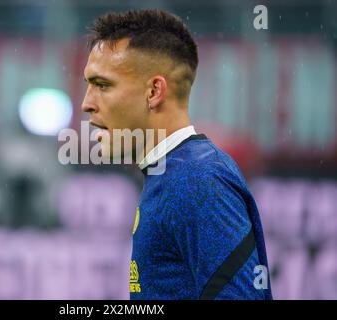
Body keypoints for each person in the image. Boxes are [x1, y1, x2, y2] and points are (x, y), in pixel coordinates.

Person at [81, 9, 272, 300]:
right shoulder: (172, 172)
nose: (86, 103)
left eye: (102, 85)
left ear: (154, 91)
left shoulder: (199, 180)